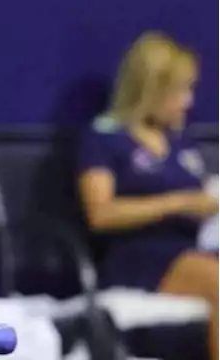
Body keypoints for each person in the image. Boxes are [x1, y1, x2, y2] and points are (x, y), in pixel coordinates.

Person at [77, 31, 220, 360]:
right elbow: (101, 214)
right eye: (180, 91)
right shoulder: (104, 138)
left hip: (192, 248)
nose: (188, 101)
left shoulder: (179, 141)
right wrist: (181, 202)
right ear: (151, 89)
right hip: (137, 257)